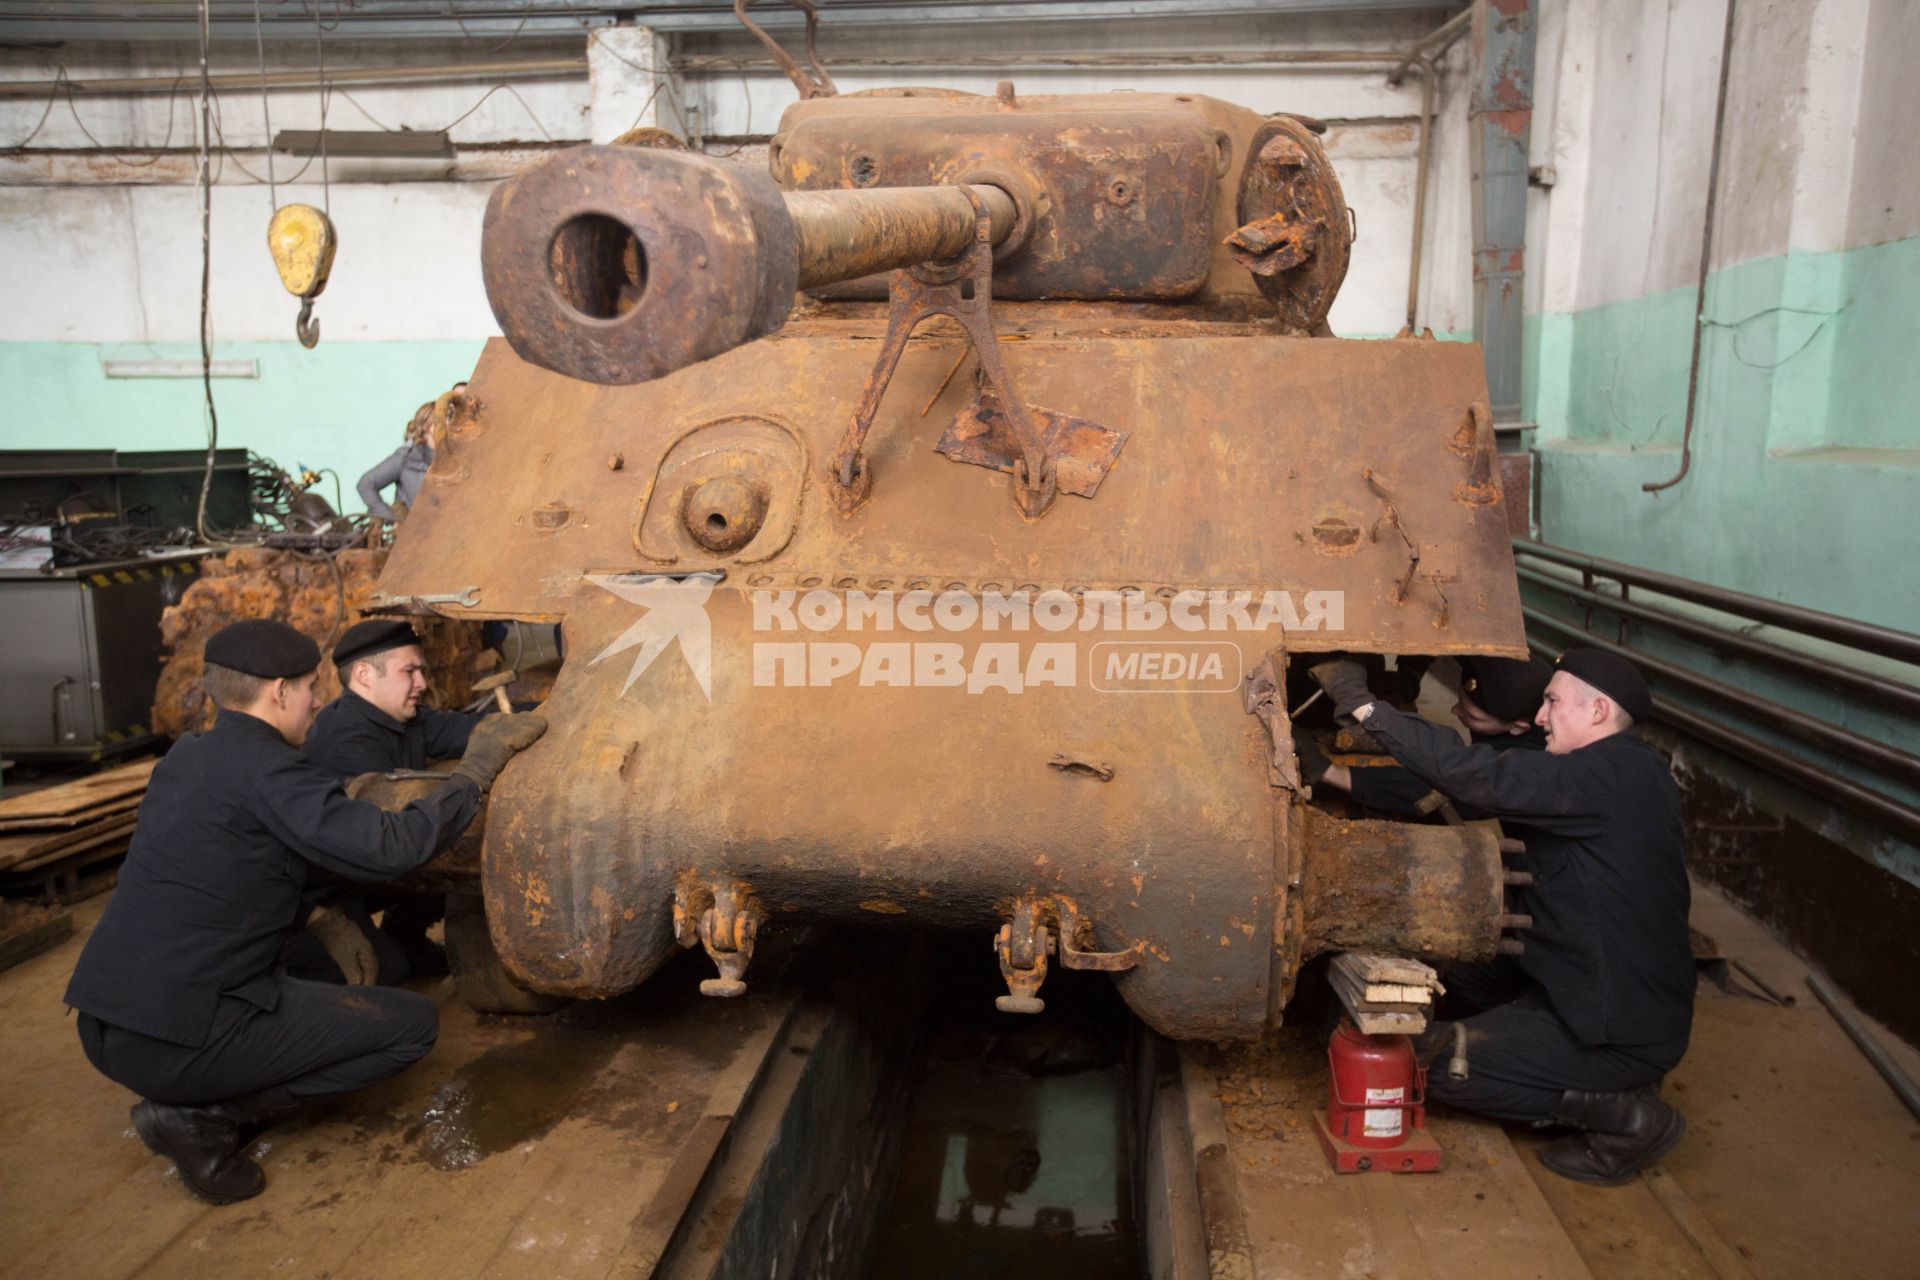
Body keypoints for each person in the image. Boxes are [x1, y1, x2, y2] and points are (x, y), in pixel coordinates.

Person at [64, 619, 547, 1205]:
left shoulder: (187, 757)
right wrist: (474, 776)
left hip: (105, 1018)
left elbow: (221, 869)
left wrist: (318, 917)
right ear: (279, 692)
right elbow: (389, 846)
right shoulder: (273, 771)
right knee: (411, 1026)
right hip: (178, 1037)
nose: (319, 701)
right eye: (310, 687)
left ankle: (202, 1089)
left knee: (362, 968)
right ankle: (205, 1117)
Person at [1310, 648, 1693, 1185]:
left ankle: (1626, 1115)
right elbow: (1449, 787)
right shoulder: (1614, 773)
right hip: (1569, 984)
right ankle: (1585, 1075)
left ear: (1598, 711)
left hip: (1611, 1029)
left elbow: (1471, 775)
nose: (1540, 716)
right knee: (1437, 972)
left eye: (1552, 702)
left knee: (1416, 1065)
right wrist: (1326, 771)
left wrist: (1365, 707)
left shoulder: (1605, 778)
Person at [1303, 655, 1552, 816]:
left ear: (1518, 727)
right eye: (1460, 702)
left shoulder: (1531, 772)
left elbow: (1441, 779)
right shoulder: (1514, 671)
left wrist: (1326, 771)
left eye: (1472, 715)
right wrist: (1413, 669)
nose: (1454, 711)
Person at [306, 618, 482, 779]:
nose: (422, 684)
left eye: (421, 671)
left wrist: (504, 725)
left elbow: (469, 730)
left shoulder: (403, 716)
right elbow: (397, 812)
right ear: (364, 675)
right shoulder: (343, 743)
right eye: (409, 671)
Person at [356, 401, 436, 522]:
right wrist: (392, 519)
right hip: (415, 534)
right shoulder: (407, 457)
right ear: (428, 426)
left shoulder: (454, 456)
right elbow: (366, 483)